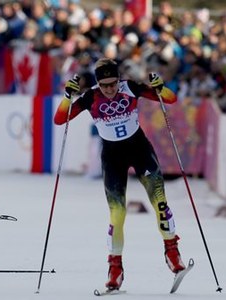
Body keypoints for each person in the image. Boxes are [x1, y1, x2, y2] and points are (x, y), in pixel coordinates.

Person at [53, 58, 186, 291]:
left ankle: (172, 253)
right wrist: (67, 97)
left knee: (160, 203)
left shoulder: (131, 87)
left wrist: (159, 86)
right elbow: (59, 119)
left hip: (140, 150)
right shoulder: (90, 97)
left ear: (118, 79)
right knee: (117, 214)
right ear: (98, 83)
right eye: (104, 85)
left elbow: (170, 99)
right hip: (113, 158)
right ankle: (115, 269)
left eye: (113, 83)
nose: (109, 89)